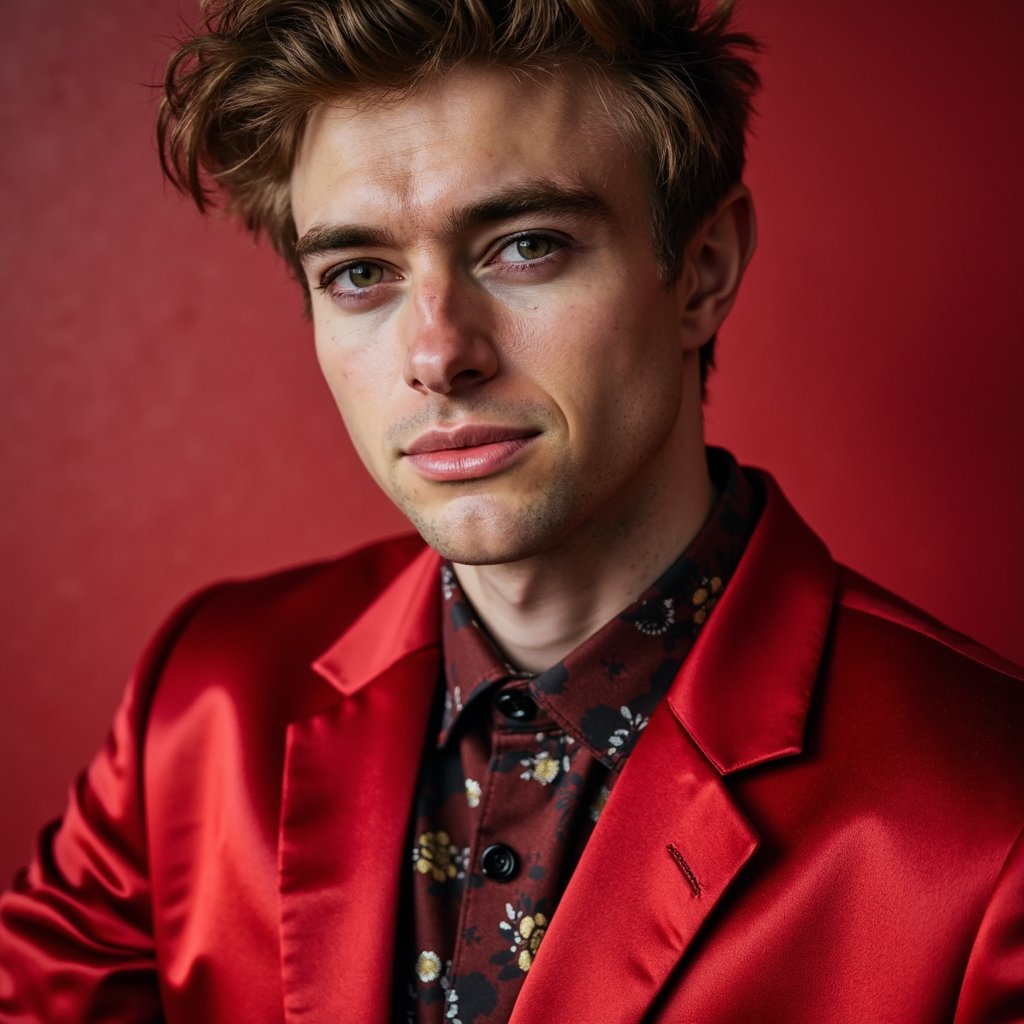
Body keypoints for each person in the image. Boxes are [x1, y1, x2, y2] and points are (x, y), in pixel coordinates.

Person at [1, 0, 1021, 1020]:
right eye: (360, 273)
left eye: (524, 246)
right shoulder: (204, 705)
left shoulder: (988, 824)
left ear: (701, 271)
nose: (438, 354)